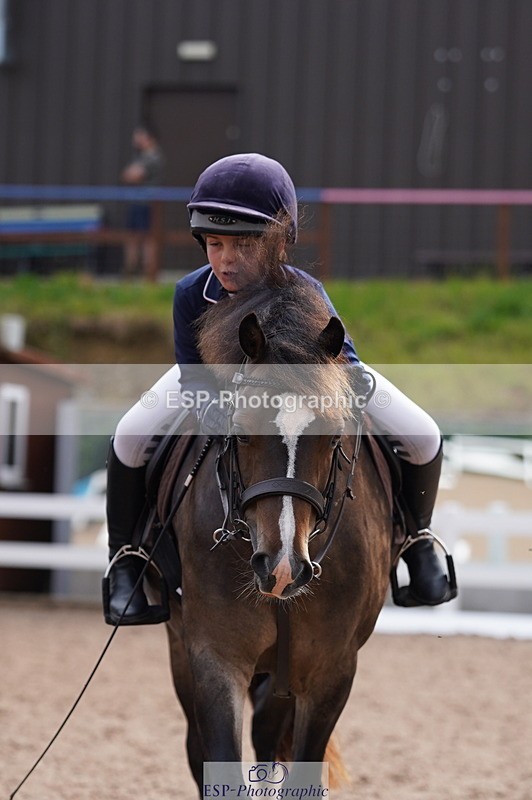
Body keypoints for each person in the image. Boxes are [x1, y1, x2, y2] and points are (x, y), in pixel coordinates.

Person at [104, 152, 454, 626]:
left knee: (424, 434)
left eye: (243, 245)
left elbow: (342, 364)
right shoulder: (191, 293)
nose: (226, 260)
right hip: (217, 386)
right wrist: (230, 409)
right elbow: (193, 375)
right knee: (128, 436)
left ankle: (417, 540)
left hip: (306, 387)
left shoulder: (305, 290)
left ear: (277, 244)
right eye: (214, 243)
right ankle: (126, 557)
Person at [120, 124, 165, 277]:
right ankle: (131, 270)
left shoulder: (152, 156)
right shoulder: (142, 156)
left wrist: (131, 174)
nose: (136, 139)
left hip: (146, 203)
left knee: (147, 238)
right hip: (138, 202)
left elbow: (132, 175)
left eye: (139, 135)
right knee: (133, 237)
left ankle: (148, 272)